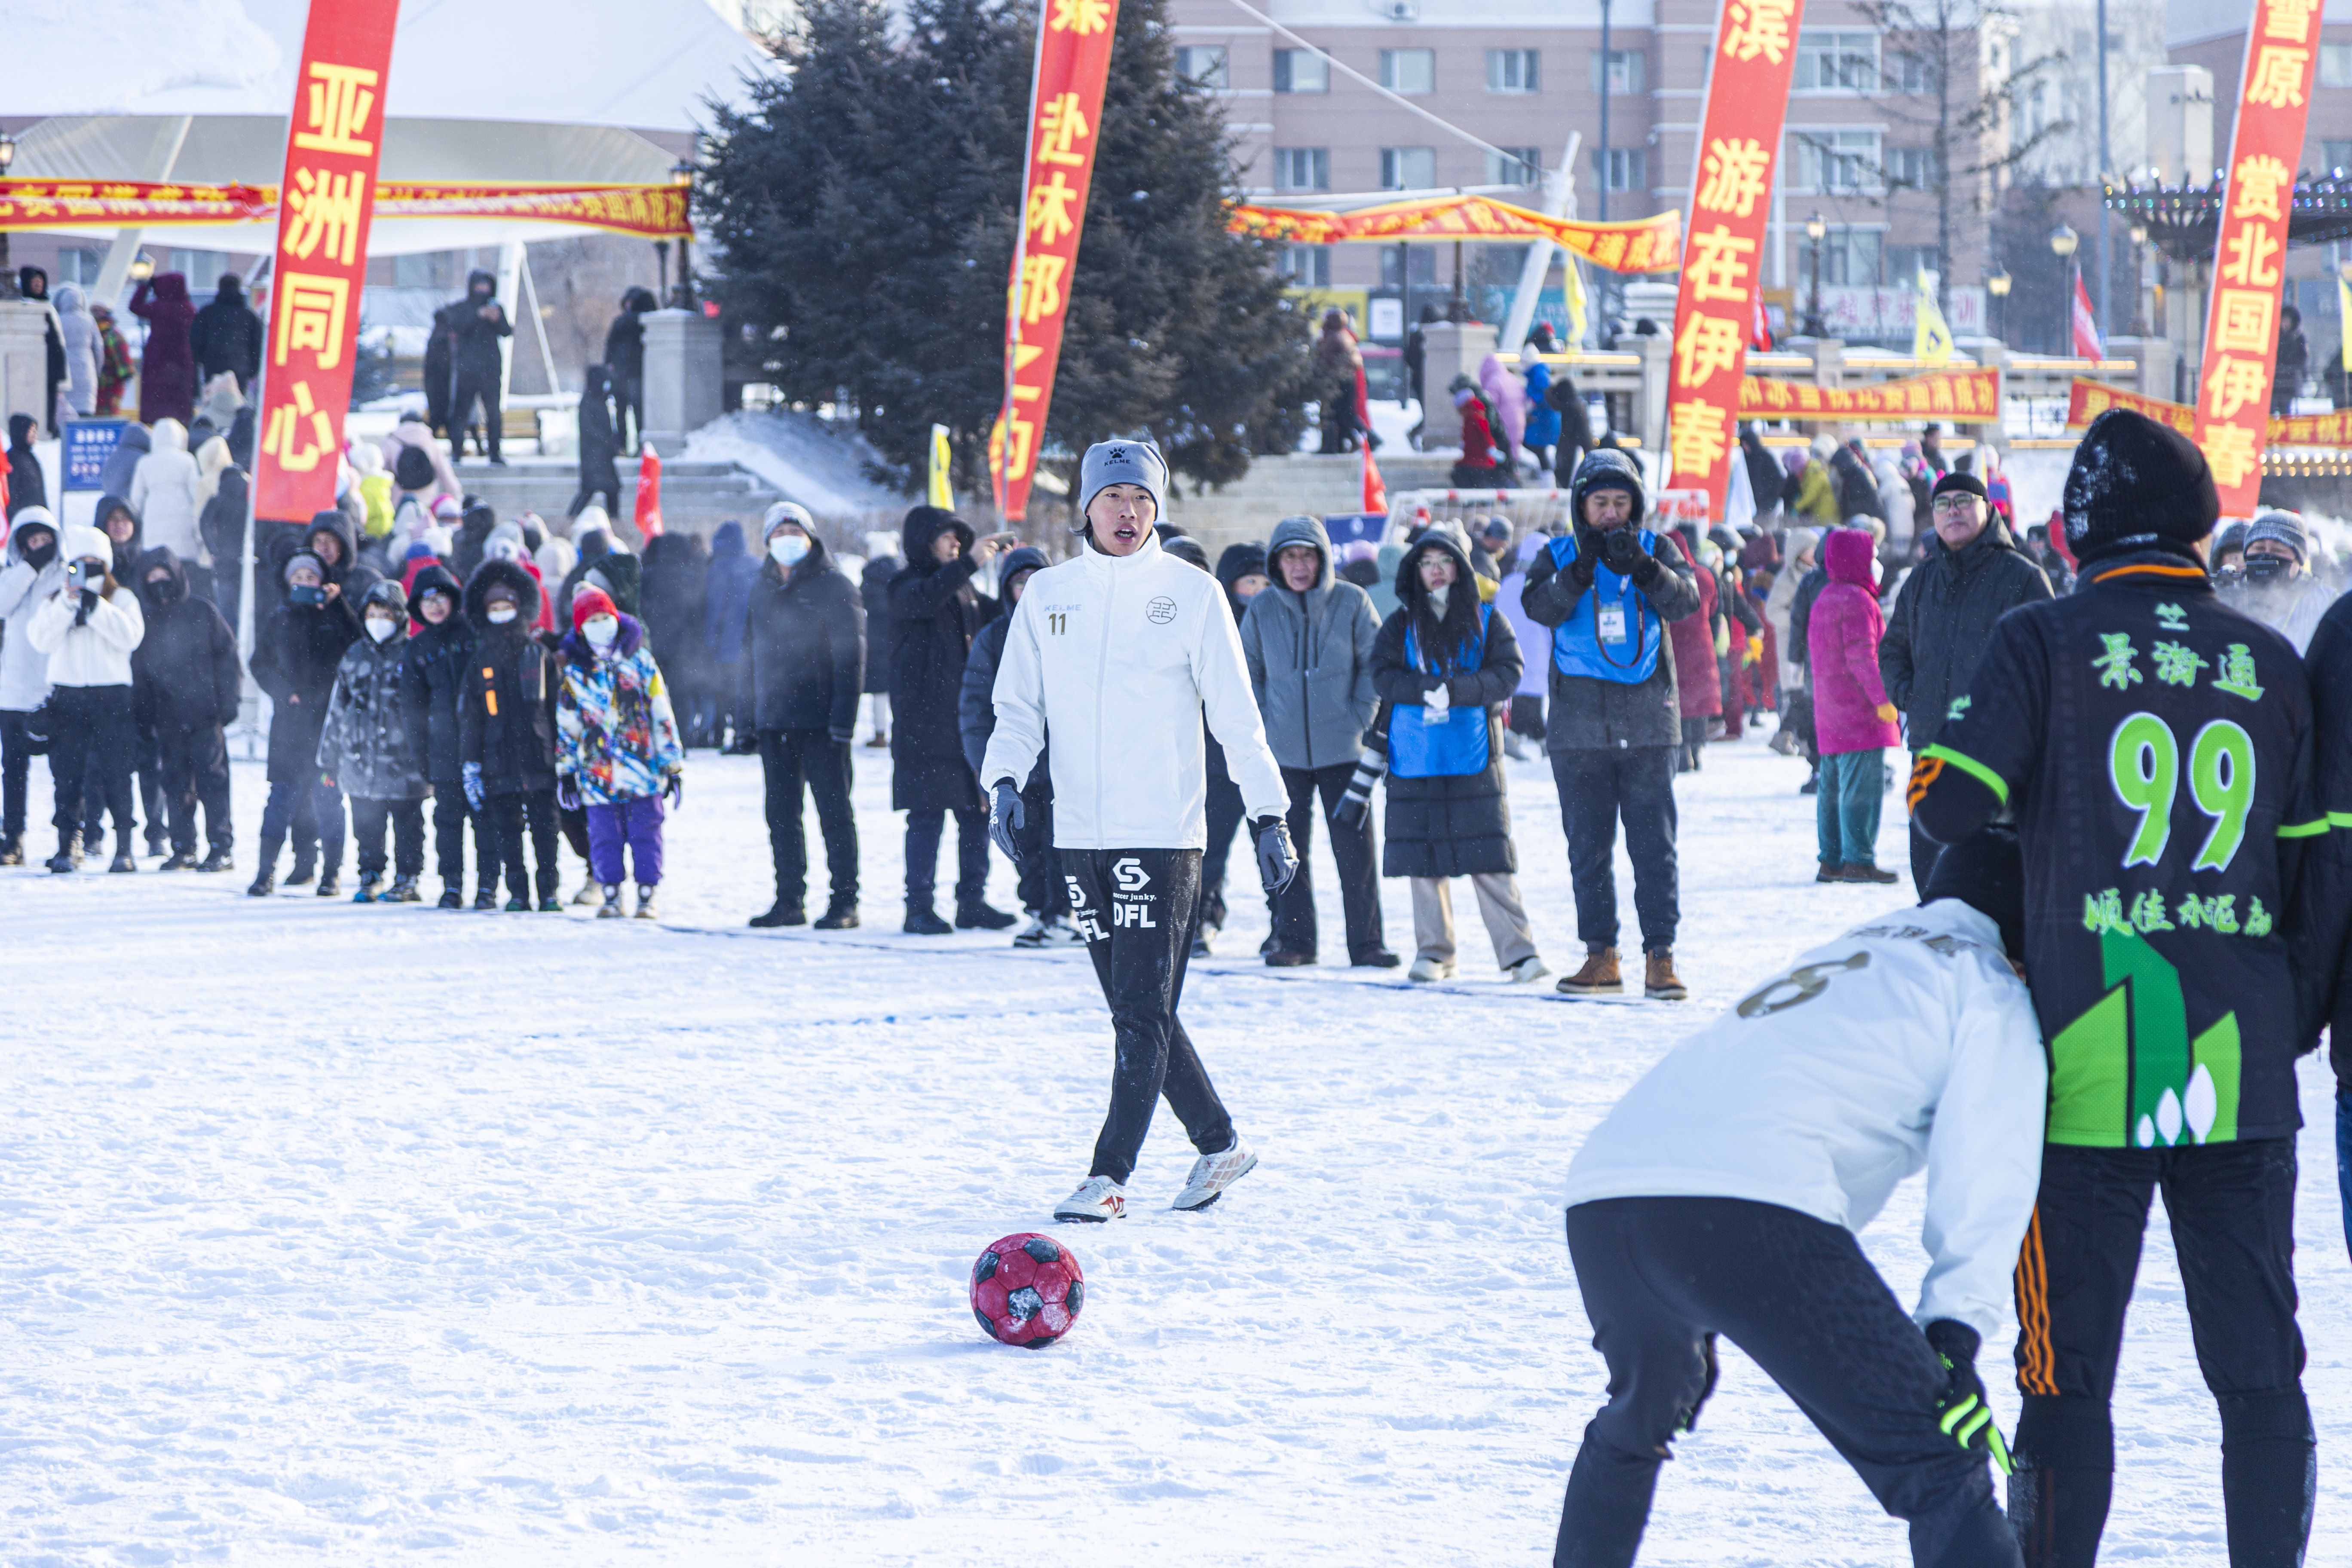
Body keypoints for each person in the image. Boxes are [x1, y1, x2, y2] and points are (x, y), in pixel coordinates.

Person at [1911, 408, 2321, 1568]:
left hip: (2082, 1063)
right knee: (2258, 1373)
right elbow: (2311, 868)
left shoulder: (2040, 638)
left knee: (2064, 1375)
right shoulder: (2268, 661)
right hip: (2241, 1060)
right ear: (2196, 525)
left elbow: (1943, 803)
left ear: (2077, 531)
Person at [1553, 827, 2043, 1568]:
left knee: (1641, 1414)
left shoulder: (1853, 946)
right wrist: (1954, 1335)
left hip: (1604, 1194)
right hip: (1748, 1207)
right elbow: (1989, 1171)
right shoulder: (1987, 985)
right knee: (1941, 1460)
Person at [980, 439, 1297, 1223]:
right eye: (1114, 498)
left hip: (1163, 832)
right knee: (1139, 1009)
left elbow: (1237, 717)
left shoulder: (1192, 594)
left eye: (1143, 499)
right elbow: (1017, 707)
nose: (1129, 512)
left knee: (1140, 1010)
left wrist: (1269, 814)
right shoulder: (1048, 595)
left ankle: (1108, 1175)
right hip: (1079, 833)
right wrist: (1004, 782)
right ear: (1087, 506)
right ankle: (1219, 1143)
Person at [1520, 449, 1703, 1000]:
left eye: (1621, 502)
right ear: (1581, 505)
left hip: (1648, 726)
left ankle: (1661, 957)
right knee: (1588, 850)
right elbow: (1538, 609)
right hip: (1578, 731)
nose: (1610, 513)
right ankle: (1600, 956)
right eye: (1599, 502)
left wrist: (1644, 568)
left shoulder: (1658, 548)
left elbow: (1687, 602)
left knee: (1654, 849)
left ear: (1635, 505)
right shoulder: (1556, 553)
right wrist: (1578, 573)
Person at [1366, 525, 1547, 984]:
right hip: (1416, 755)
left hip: (1474, 755)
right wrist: (1424, 690)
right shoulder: (1401, 623)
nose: (1436, 571)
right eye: (1427, 563)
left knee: (1489, 858)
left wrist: (1460, 691)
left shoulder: (1488, 619)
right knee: (1423, 862)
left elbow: (1509, 672)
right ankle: (1434, 951)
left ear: (1460, 568)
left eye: (1444, 562)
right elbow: (1382, 674)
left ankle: (1519, 953)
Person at [1878, 470, 2053, 892]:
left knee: (1998, 878)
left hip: (1999, 754)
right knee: (1930, 871)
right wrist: (1913, 697)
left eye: (1963, 501)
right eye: (1943, 504)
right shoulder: (1921, 580)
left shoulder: (2022, 577)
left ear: (1987, 509)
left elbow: (2050, 659)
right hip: (1932, 749)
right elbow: (1892, 650)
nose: (1952, 511)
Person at [1240, 514, 1393, 968]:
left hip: (1344, 750)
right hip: (1282, 755)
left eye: (1307, 556)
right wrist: (1267, 724)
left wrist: (1359, 715)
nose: (1299, 566)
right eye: (1290, 557)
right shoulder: (1262, 609)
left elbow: (1374, 664)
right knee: (1288, 852)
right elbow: (1247, 672)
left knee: (1356, 854)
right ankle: (1295, 941)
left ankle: (1367, 944)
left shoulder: (1352, 600)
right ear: (1277, 563)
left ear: (1323, 559)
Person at [889, 504, 1013, 934]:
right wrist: (970, 564)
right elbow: (926, 598)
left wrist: (1017, 571)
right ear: (924, 542)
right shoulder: (904, 586)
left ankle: (972, 901)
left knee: (976, 814)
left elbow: (1002, 617)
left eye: (960, 537)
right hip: (923, 729)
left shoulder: (965, 589)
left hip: (965, 724)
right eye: (947, 536)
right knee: (926, 817)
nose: (956, 543)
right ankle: (918, 906)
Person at [741, 503, 866, 929]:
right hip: (774, 721)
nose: (788, 539)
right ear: (767, 541)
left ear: (811, 537)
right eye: (779, 533)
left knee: (834, 814)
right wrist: (746, 719)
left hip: (822, 722)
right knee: (781, 817)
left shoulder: (836, 585)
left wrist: (843, 720)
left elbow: (851, 658)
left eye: (795, 531)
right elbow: (748, 657)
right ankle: (789, 900)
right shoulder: (760, 588)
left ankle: (845, 902)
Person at [962, 544, 1078, 948]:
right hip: (1017, 763)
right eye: (1018, 583)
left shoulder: (1069, 629)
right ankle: (1038, 912)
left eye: (1035, 581)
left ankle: (1062, 914)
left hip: (1065, 762)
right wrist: (987, 766)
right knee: (1023, 841)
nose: (1027, 590)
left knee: (1063, 843)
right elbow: (975, 706)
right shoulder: (994, 637)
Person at [556, 585, 685, 920]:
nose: (601, 625)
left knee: (646, 833)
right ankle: (610, 893)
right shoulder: (576, 673)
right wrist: (566, 770)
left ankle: (647, 893)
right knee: (604, 837)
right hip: (598, 775)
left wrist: (672, 764)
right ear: (581, 628)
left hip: (643, 770)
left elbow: (661, 713)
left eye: (605, 618)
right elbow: (568, 726)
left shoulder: (640, 662)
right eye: (592, 620)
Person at [27, 523, 145, 873]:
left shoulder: (122, 598)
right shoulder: (56, 600)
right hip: (68, 694)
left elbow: (131, 637)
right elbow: (40, 641)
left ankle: (124, 846)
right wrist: (68, 603)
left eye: (95, 563)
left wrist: (96, 608)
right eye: (81, 562)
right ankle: (68, 843)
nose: (88, 569)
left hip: (112, 694)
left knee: (117, 773)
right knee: (67, 774)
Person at [248, 550, 359, 896]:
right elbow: (259, 663)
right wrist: (284, 693)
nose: (305, 583)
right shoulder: (278, 618)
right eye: (298, 578)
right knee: (280, 801)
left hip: (327, 729)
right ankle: (265, 873)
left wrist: (338, 606)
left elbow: (359, 647)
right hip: (290, 730)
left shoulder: (335, 617)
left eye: (312, 578)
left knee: (328, 801)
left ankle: (331, 874)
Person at [459, 560, 563, 912]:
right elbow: (471, 718)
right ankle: (518, 892)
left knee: (546, 829)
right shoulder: (480, 661)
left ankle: (549, 892)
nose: (502, 613)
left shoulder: (540, 655)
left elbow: (557, 711)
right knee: (508, 832)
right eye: (495, 608)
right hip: (498, 761)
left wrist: (563, 757)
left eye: (507, 606)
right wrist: (471, 763)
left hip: (540, 758)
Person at [318, 580, 429, 903]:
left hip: (404, 763)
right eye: (372, 614)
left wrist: (430, 756)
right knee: (367, 823)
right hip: (359, 761)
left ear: (400, 617)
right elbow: (338, 707)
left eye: (386, 614)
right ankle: (370, 873)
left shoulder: (413, 654)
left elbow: (427, 710)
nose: (378, 621)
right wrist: (328, 757)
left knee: (408, 825)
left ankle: (408, 877)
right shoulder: (355, 656)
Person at [130, 546, 238, 872]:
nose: (160, 582)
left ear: (177, 576)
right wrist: (143, 713)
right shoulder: (146, 620)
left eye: (165, 575)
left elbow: (227, 656)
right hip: (168, 719)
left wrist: (228, 703)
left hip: (206, 714)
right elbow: (140, 672)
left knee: (213, 782)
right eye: (153, 577)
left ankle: (221, 847)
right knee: (175, 783)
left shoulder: (202, 611)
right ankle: (183, 846)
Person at [1807, 528, 1902, 884]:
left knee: (1831, 788)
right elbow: (1863, 657)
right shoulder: (1859, 601)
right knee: (1862, 789)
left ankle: (1831, 860)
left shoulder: (1825, 597)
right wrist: (1883, 701)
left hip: (1830, 709)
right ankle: (1859, 860)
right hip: (1860, 712)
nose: (1876, 563)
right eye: (1872, 555)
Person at [399, 564, 497, 909]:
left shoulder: (474, 635)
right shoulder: (417, 649)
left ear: (454, 599)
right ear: (418, 607)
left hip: (483, 749)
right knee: (448, 823)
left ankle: (488, 886)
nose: (435, 606)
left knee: (486, 821)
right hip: (443, 751)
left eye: (441, 598)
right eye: (427, 601)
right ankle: (452, 885)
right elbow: (411, 709)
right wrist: (422, 757)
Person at [1197, 542, 1271, 952]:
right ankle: (1203, 917)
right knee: (1211, 848)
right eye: (1249, 583)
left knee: (1272, 844)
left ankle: (1285, 923)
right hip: (1217, 757)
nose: (1257, 592)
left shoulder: (1277, 622)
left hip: (1265, 754)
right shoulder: (1214, 624)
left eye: (1264, 583)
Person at [0, 508, 65, 865]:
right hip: (12, 690)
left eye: (45, 540)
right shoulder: (12, 576)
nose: (40, 546)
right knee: (13, 771)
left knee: (63, 770)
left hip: (51, 688)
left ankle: (69, 837)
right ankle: (13, 838)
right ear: (23, 546)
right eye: (33, 541)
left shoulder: (63, 576)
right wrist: (27, 569)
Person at [2220, 510, 2336, 654]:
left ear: (2298, 560)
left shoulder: (2324, 601)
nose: (2266, 555)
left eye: (2278, 550)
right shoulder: (2226, 594)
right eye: (2259, 548)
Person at [638, 530, 710, 739]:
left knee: (652, 694)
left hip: (653, 645)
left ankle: (653, 737)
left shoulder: (647, 576)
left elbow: (641, 610)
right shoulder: (692, 578)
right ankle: (682, 739)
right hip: (682, 648)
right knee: (681, 697)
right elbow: (698, 616)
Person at [446, 271, 513, 464]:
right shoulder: (462, 308)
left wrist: (496, 319)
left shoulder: (496, 308)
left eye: (486, 286)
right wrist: (477, 316)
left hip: (490, 369)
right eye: (480, 286)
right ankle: (457, 451)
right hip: (467, 370)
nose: (483, 290)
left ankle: (495, 452)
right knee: (461, 412)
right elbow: (457, 327)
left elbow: (506, 331)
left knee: (493, 413)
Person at [702, 519, 759, 749]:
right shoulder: (756, 564)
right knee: (747, 691)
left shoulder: (719, 568)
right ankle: (745, 735)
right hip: (752, 641)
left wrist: (709, 639)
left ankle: (720, 737)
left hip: (726, 642)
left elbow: (715, 607)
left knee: (722, 691)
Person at [1667, 534, 1720, 772]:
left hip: (1673, 644)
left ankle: (1683, 751)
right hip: (1701, 643)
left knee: (1678, 699)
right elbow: (1715, 609)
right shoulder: (1705, 576)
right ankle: (1697, 750)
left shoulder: (1664, 577)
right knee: (1700, 699)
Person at [130, 417, 203, 570]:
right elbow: (197, 496)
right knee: (184, 572)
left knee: (158, 567)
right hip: (183, 526)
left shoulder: (145, 462)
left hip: (153, 526)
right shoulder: (187, 460)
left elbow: (136, 500)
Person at [130, 270, 198, 426]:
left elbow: (134, 306)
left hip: (157, 356)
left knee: (156, 396)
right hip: (182, 358)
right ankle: (180, 425)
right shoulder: (189, 308)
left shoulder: (158, 307)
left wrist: (145, 286)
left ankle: (154, 425)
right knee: (180, 396)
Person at [190, 272, 263, 393]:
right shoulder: (249, 316)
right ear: (238, 288)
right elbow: (257, 345)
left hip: (213, 366)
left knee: (214, 400)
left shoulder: (207, 312)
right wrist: (252, 370)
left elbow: (196, 342)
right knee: (236, 401)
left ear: (220, 288)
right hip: (240, 368)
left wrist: (203, 360)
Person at [859, 530, 900, 747]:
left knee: (880, 690)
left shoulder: (869, 575)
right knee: (900, 687)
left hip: (875, 638)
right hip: (899, 635)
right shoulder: (901, 574)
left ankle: (880, 734)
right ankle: (901, 730)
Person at [605, 286, 658, 452]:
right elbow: (610, 346)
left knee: (634, 409)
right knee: (627, 409)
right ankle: (625, 445)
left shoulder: (629, 322)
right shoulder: (630, 322)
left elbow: (611, 346)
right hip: (626, 373)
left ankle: (631, 445)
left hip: (633, 373)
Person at [569, 364, 625, 518]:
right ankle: (572, 518)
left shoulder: (599, 400)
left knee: (611, 490)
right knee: (590, 490)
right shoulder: (588, 402)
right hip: (593, 456)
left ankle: (614, 519)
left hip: (602, 456)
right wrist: (608, 442)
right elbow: (589, 429)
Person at [17, 266, 65, 432]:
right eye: (34, 281)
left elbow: (58, 341)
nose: (38, 284)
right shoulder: (22, 307)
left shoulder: (48, 307)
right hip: (30, 366)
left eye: (41, 281)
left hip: (50, 367)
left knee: (48, 404)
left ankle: (46, 430)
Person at [1314, 309, 1364, 453]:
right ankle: (1344, 444)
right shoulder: (1345, 335)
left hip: (1335, 382)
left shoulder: (1332, 337)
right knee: (1344, 415)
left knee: (1329, 414)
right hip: (1347, 381)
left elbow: (1326, 361)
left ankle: (1330, 446)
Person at [53, 284, 99, 419]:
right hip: (87, 374)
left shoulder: (57, 321)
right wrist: (95, 371)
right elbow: (99, 350)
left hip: (65, 374)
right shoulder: (89, 320)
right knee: (85, 415)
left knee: (66, 416)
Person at [1449, 383, 1505, 488]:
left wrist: (1490, 448)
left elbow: (1484, 433)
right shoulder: (1473, 416)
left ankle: (1473, 495)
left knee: (1462, 475)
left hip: (1478, 460)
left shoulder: (1474, 417)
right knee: (1470, 477)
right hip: (1476, 458)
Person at [91, 301, 134, 416]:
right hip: (97, 386)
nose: (95, 315)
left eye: (98, 311)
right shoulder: (92, 334)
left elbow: (126, 369)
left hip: (110, 387)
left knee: (108, 418)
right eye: (93, 311)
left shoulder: (113, 336)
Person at [6, 414, 45, 521]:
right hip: (22, 521)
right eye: (31, 431)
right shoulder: (12, 460)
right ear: (21, 432)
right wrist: (16, 522)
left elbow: (40, 494)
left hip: (35, 518)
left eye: (36, 430)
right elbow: (10, 496)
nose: (35, 434)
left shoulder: (30, 457)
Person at [2273, 303, 2309, 417]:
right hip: (2274, 383)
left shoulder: (2298, 338)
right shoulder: (2275, 336)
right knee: (2271, 411)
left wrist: (2303, 376)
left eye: (2287, 320)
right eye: (2283, 320)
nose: (2284, 323)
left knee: (2285, 412)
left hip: (2289, 383)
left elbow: (2302, 359)